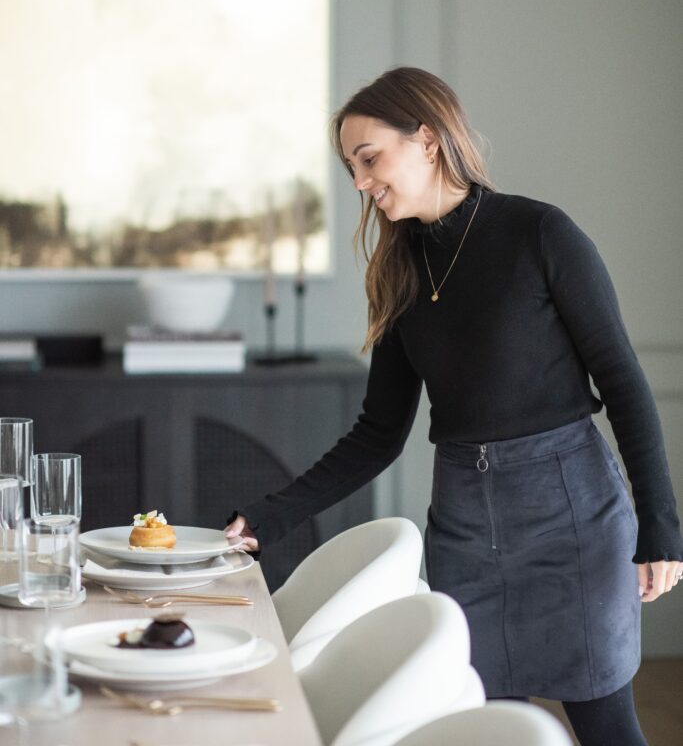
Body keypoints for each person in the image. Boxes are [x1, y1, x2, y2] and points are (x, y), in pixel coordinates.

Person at [226, 67, 682, 746]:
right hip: (466, 525)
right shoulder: (399, 272)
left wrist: (661, 528)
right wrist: (265, 518)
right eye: (351, 166)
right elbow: (377, 435)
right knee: (484, 723)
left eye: (369, 158)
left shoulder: (539, 234)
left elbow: (621, 382)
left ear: (429, 141)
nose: (359, 182)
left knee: (604, 723)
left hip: (572, 517)